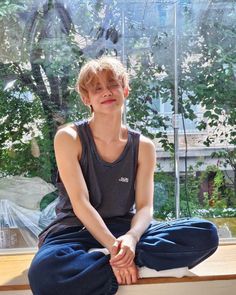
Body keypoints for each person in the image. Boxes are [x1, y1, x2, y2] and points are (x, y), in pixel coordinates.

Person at [28, 56, 219, 295]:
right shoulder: (69, 137)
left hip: (124, 228)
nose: (106, 91)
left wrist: (130, 238)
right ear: (87, 98)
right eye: (97, 88)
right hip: (74, 231)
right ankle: (123, 263)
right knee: (44, 274)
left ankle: (105, 264)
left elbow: (145, 207)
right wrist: (113, 246)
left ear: (125, 90)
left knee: (206, 233)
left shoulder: (144, 146)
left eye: (113, 84)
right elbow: (80, 203)